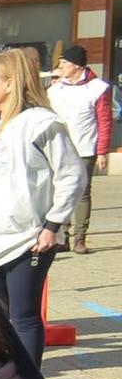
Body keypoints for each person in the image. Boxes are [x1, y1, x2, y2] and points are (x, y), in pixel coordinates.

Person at [0, 49, 86, 367]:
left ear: (10, 83)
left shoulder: (41, 124)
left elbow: (72, 175)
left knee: (23, 316)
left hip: (27, 240)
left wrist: (52, 225)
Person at [46, 43, 111, 255]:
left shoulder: (97, 88)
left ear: (76, 65)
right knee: (60, 191)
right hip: (59, 148)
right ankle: (62, 237)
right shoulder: (55, 89)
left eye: (65, 62)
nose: (61, 66)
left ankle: (80, 239)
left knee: (82, 193)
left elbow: (104, 120)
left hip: (85, 147)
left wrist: (102, 151)